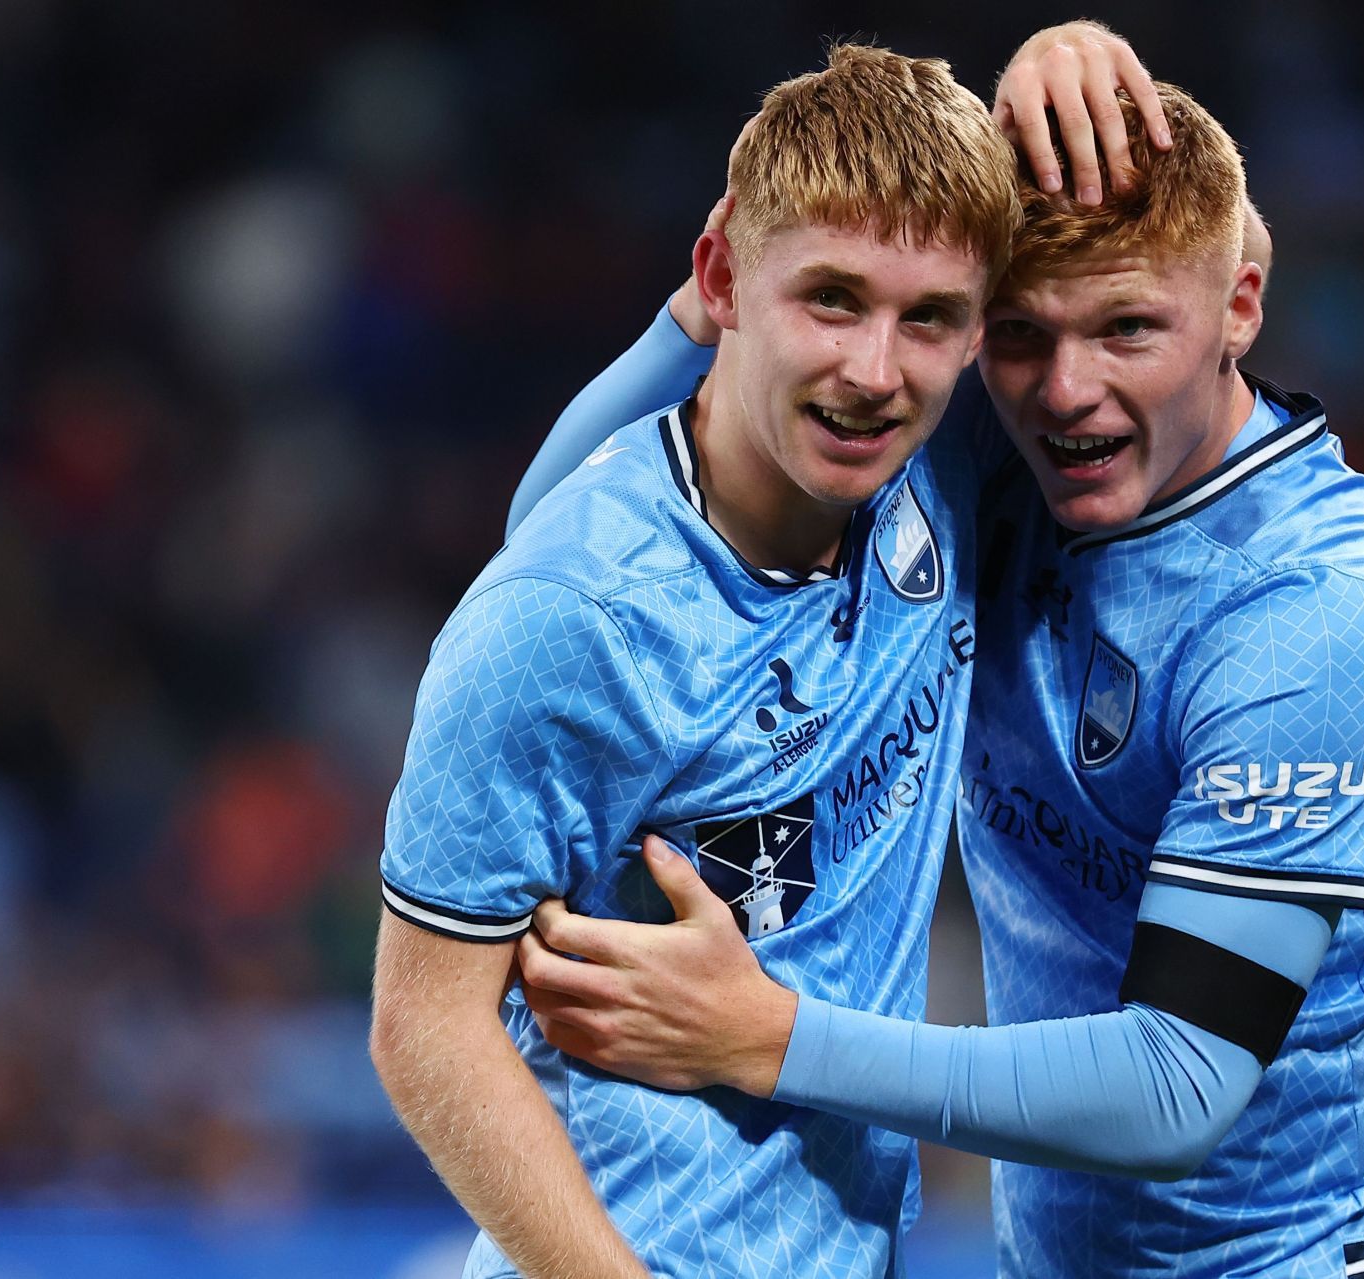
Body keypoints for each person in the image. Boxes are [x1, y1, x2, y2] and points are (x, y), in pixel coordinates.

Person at [509, 22, 1364, 1279]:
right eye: (1020, 333)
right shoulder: (992, 447)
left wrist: (768, 1037)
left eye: (1129, 328)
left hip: (1306, 1251)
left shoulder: (1313, 621)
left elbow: (1177, 1083)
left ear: (1240, 304)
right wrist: (712, 301)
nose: (1066, 389)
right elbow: (559, 544)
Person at [369, 43, 1019, 1279]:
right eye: (829, 297)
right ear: (724, 276)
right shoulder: (567, 616)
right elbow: (423, 1026)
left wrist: (1067, 49)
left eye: (925, 317)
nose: (875, 372)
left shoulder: (938, 465)